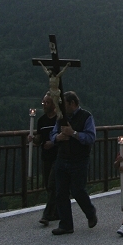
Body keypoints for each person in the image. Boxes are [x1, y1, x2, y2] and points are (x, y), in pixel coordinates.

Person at [49, 91, 97, 235]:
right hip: (62, 158)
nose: (61, 107)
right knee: (61, 192)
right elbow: (52, 134)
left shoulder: (86, 117)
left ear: (72, 103)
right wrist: (58, 137)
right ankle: (66, 224)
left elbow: (90, 137)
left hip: (79, 159)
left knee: (77, 190)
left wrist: (73, 133)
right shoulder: (61, 118)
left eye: (64, 104)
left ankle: (90, 212)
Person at [31, 94, 59, 226]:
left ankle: (47, 215)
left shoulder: (59, 120)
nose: (44, 105)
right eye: (43, 102)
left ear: (54, 105)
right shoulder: (41, 121)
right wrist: (33, 139)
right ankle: (57, 211)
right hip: (46, 156)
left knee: (52, 184)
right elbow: (39, 138)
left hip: (58, 156)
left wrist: (53, 143)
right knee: (48, 185)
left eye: (47, 102)